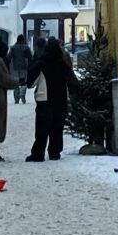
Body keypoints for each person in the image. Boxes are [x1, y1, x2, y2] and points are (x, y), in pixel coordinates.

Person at [27, 34, 73, 162]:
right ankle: (54, 152)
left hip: (45, 99)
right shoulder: (63, 63)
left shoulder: (42, 63)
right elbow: (71, 80)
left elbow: (31, 82)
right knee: (57, 128)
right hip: (61, 98)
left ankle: (38, 153)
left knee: (42, 128)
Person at [8, 32, 33, 104]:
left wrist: (8, 66)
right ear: (23, 40)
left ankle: (16, 98)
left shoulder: (13, 48)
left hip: (15, 68)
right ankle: (22, 95)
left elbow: (9, 57)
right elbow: (30, 58)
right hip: (24, 68)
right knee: (23, 83)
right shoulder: (26, 48)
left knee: (16, 83)